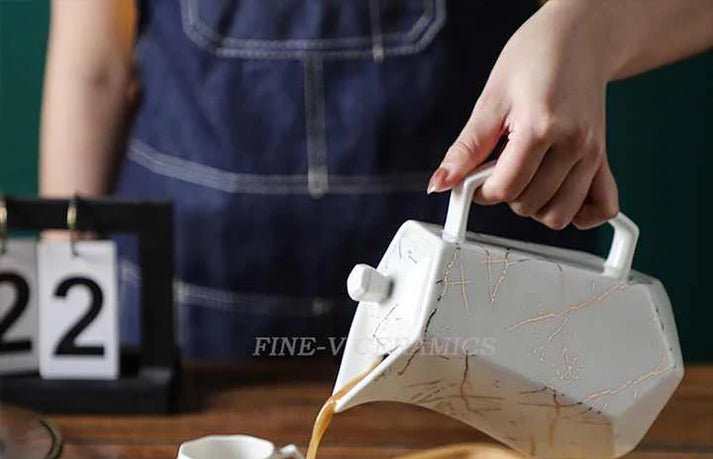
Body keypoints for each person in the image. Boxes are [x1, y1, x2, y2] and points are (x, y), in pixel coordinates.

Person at [41, 0, 713, 358]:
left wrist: (586, 28)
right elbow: (90, 70)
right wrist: (60, 310)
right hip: (185, 325)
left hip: (488, 317)